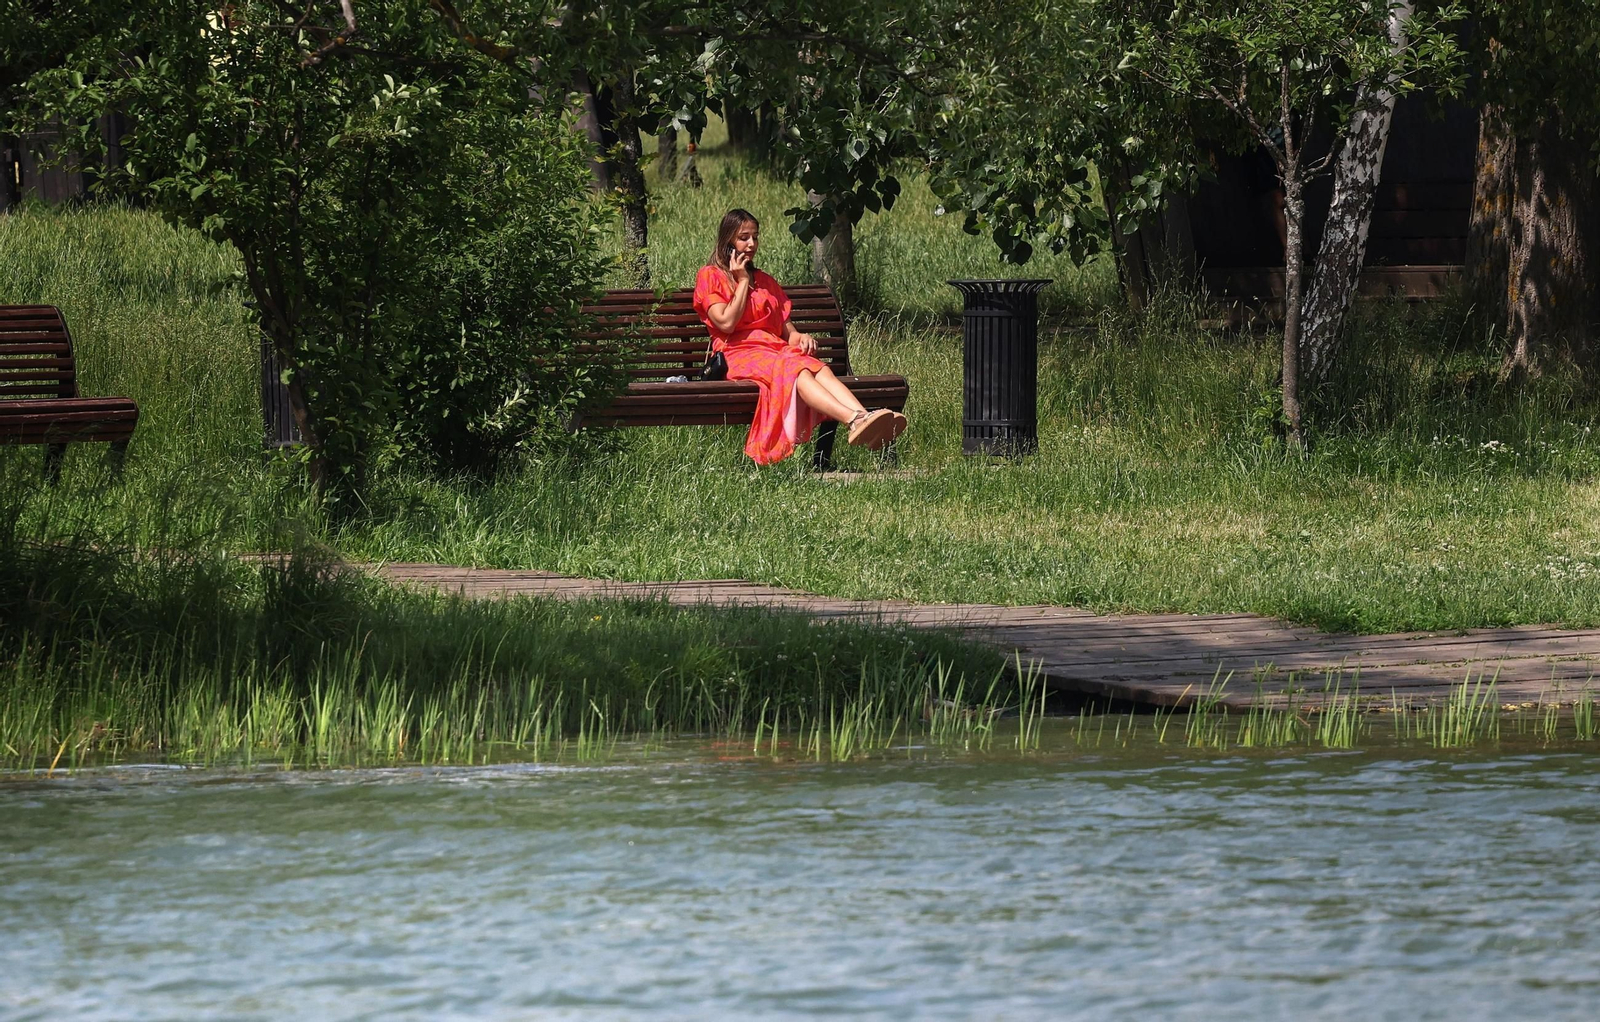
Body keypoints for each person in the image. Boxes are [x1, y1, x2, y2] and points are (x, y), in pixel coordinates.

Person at [692, 208, 907, 465]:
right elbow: (725, 323)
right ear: (727, 241)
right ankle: (854, 419)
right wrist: (740, 281)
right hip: (737, 355)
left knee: (817, 366)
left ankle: (863, 417)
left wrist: (801, 338)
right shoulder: (710, 276)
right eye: (744, 238)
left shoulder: (766, 282)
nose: (752, 244)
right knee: (797, 370)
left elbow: (788, 333)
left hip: (773, 351)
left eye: (755, 237)